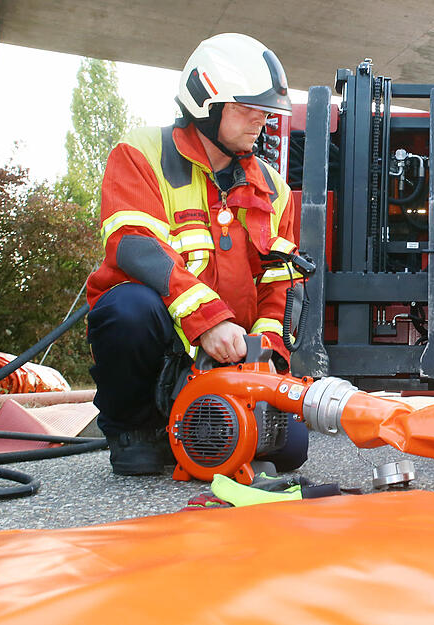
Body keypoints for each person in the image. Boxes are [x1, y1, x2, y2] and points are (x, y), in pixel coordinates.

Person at [86, 33, 309, 475]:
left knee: (290, 450)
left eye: (265, 110)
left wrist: (260, 356)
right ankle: (136, 428)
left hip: (229, 354)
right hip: (163, 345)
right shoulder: (141, 153)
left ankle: (201, 427)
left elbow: (280, 285)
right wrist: (208, 321)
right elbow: (135, 244)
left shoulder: (273, 187)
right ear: (206, 103)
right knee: (128, 309)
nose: (260, 120)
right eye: (248, 108)